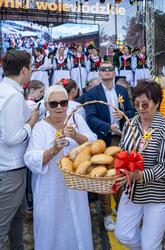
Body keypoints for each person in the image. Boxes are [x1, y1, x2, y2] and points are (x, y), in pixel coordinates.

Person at [24, 85, 96, 250]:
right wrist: (53, 149)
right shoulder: (40, 128)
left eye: (63, 103)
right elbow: (31, 158)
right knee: (52, 229)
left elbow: (93, 143)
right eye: (54, 103)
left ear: (68, 103)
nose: (59, 107)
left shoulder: (76, 120)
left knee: (77, 225)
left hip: (76, 189)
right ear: (47, 105)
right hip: (50, 189)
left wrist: (76, 135)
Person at [114, 80, 165, 249]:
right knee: (123, 234)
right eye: (137, 104)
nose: (141, 109)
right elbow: (122, 150)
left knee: (151, 246)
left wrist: (140, 175)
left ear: (157, 103)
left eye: (145, 104)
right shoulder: (131, 123)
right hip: (133, 190)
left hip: (158, 193)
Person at [85, 61, 135, 231]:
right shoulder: (92, 93)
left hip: (121, 140)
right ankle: (106, 214)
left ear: (114, 73)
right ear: (99, 73)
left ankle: (119, 208)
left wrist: (123, 115)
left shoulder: (121, 91)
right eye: (103, 69)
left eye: (110, 69)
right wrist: (107, 126)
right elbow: (90, 118)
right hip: (103, 141)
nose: (106, 71)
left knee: (120, 176)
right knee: (104, 179)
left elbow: (131, 111)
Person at [0, 50, 39, 250]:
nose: (32, 71)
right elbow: (11, 138)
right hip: (10, 169)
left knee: (17, 218)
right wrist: (31, 122)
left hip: (9, 168)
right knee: (3, 224)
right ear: (24, 69)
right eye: (31, 67)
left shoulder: (5, 90)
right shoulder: (12, 96)